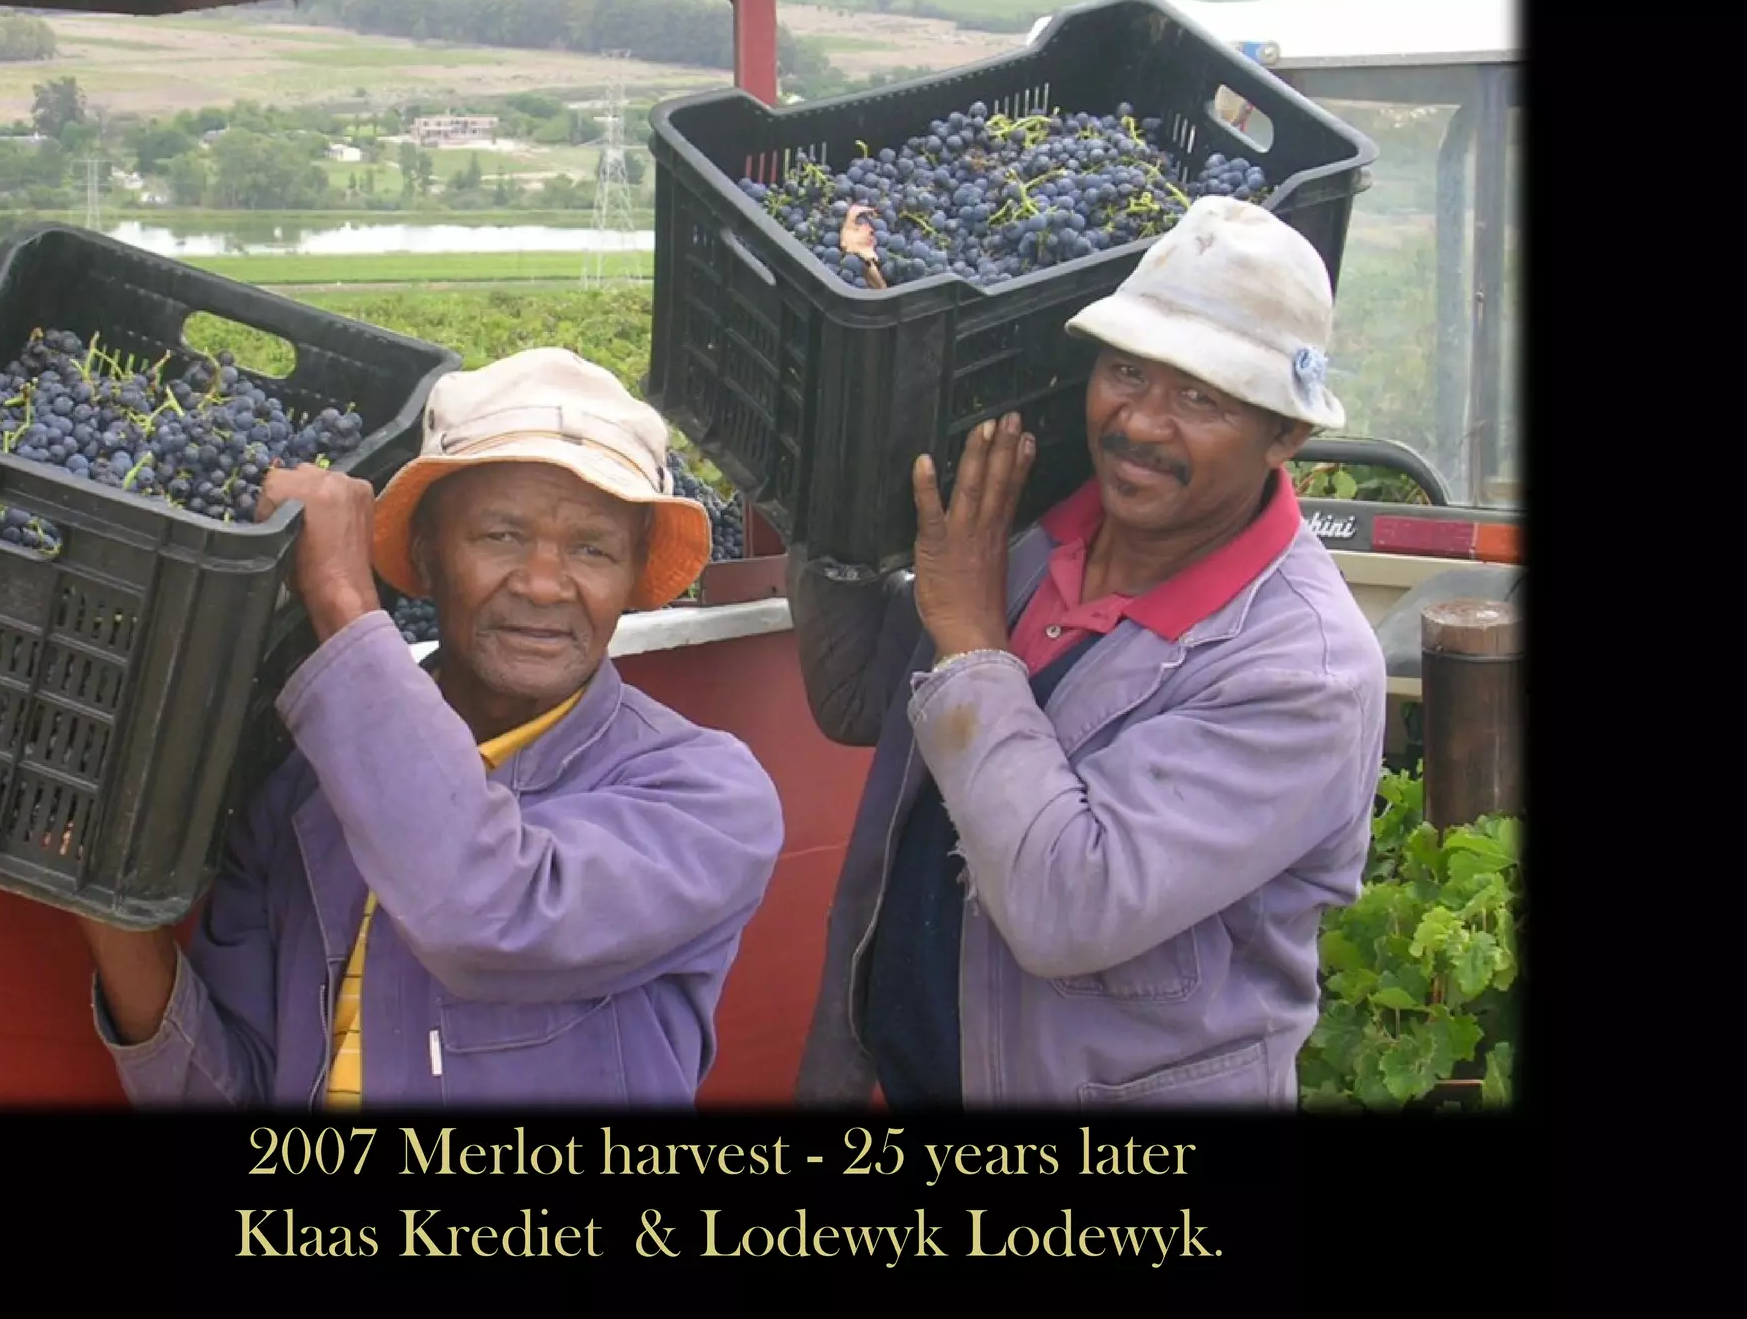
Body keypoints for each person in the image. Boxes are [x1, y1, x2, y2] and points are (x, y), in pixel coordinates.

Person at [788, 195, 1387, 1110]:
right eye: (1125, 371)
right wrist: (830, 493)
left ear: (1287, 435)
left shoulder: (1301, 672)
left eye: (1200, 397)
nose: (1141, 422)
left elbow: (1066, 907)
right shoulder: (1029, 536)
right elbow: (858, 702)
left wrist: (973, 646)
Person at [79, 347, 786, 1108]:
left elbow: (488, 917)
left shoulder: (706, 797)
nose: (545, 584)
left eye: (592, 549)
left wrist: (344, 599)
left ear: (633, 574)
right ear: (424, 548)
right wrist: (102, 893)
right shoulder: (304, 790)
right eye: (501, 536)